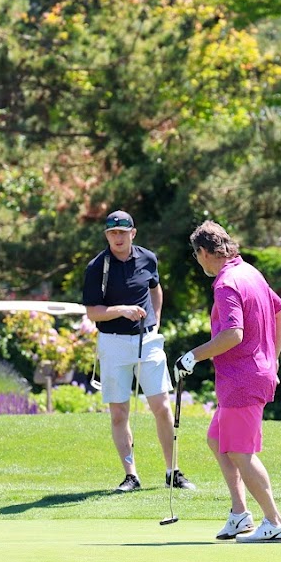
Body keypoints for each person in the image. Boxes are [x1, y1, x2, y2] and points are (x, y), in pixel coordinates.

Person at [176, 220, 281, 543]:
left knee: (240, 452)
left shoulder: (226, 283)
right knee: (217, 440)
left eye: (196, 255)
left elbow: (232, 334)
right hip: (248, 375)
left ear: (203, 252)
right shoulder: (249, 272)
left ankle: (274, 522)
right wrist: (272, 358)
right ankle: (240, 514)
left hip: (242, 378)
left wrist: (192, 356)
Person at [82, 210, 193, 493]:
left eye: (122, 232)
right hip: (113, 343)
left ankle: (172, 471)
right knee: (119, 413)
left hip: (148, 341)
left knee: (162, 407)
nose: (117, 238)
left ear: (133, 233)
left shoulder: (148, 258)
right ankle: (131, 475)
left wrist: (156, 319)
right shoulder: (97, 267)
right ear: (107, 235)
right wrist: (122, 310)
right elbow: (93, 312)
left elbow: (156, 289)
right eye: (112, 233)